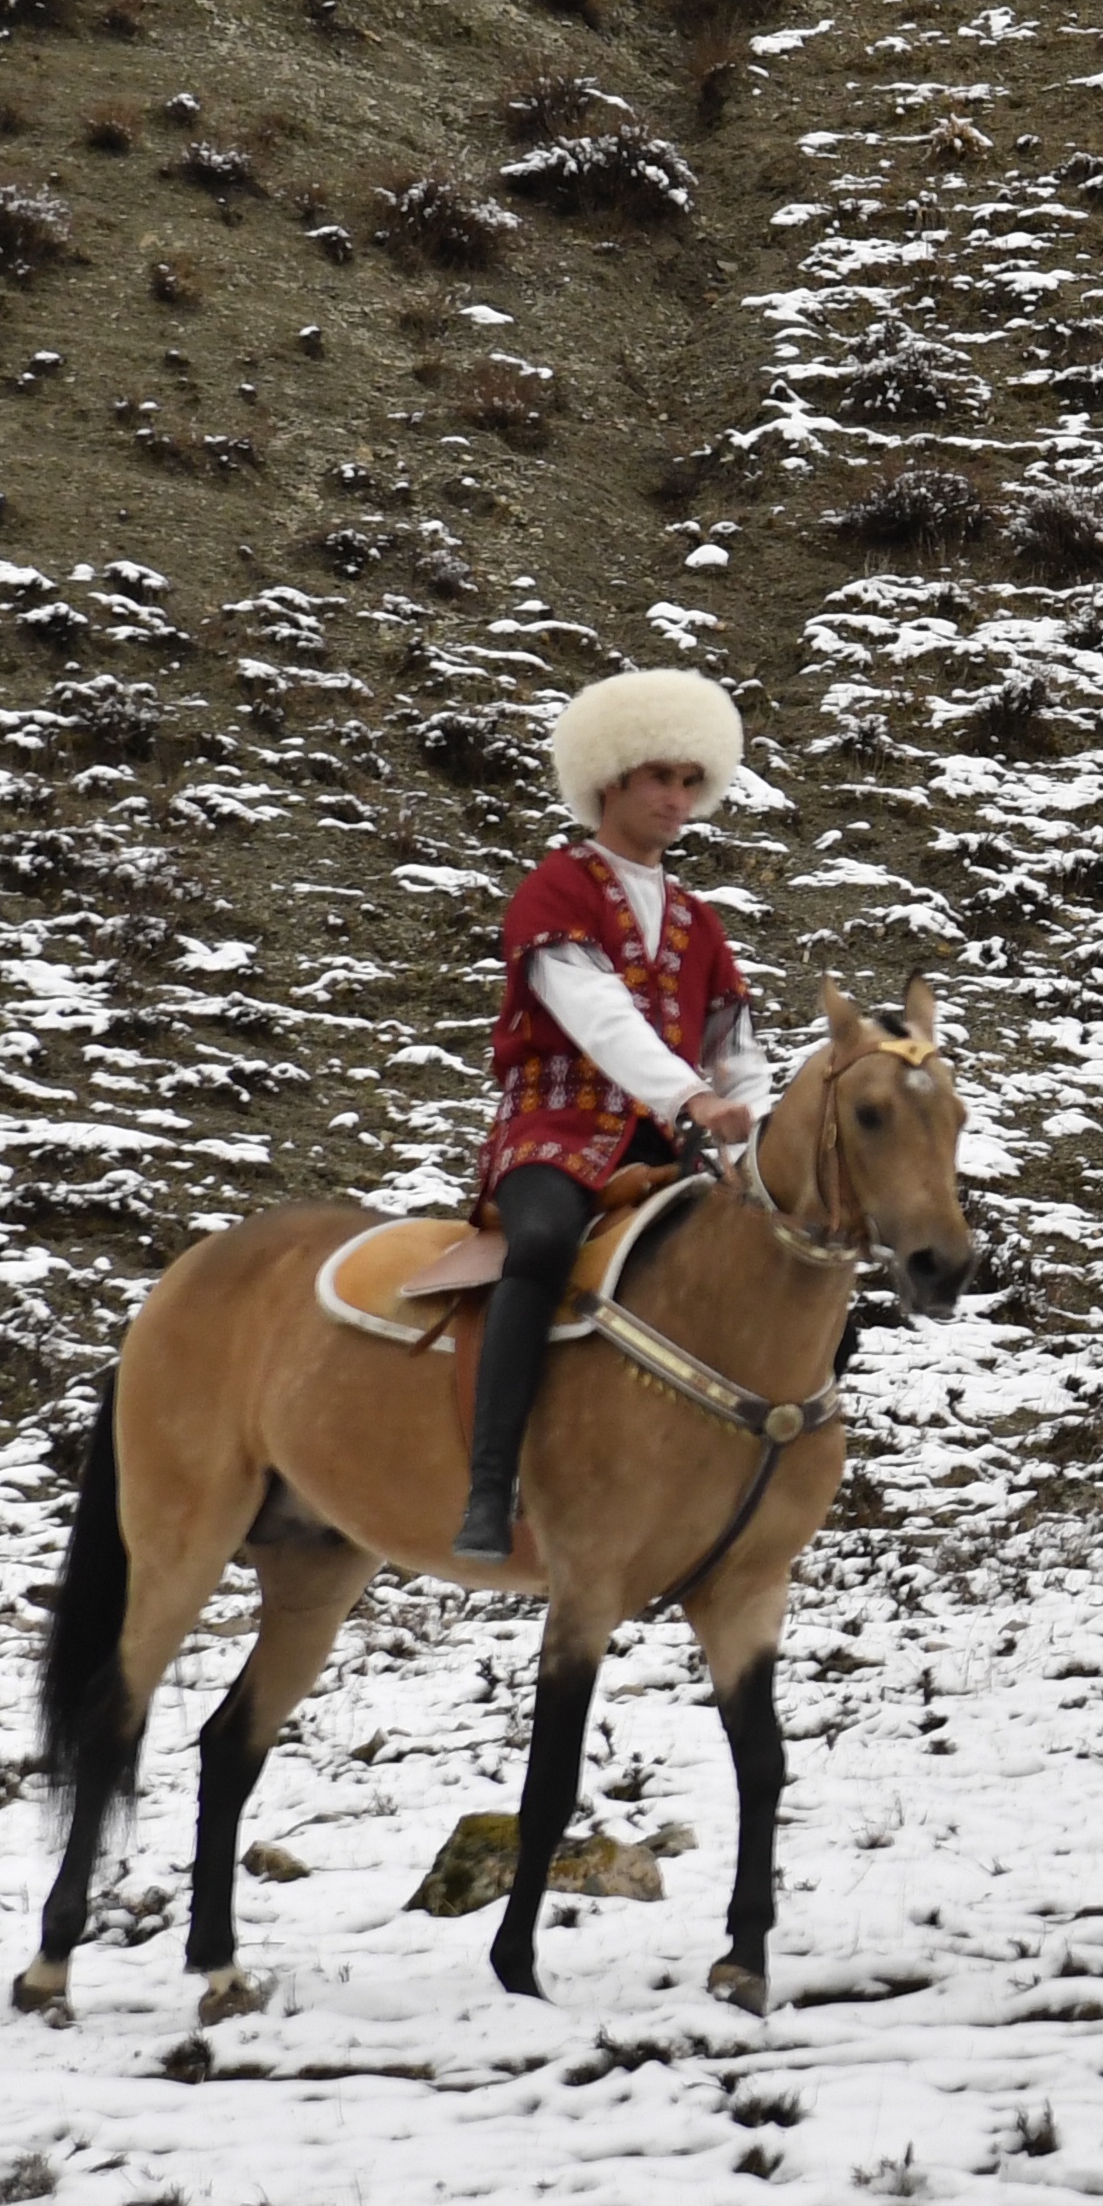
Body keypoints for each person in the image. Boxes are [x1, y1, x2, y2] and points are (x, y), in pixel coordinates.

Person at [457, 668, 774, 1563]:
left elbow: (735, 1045)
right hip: (553, 1132)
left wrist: (750, 1125)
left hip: (659, 1147)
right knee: (546, 1244)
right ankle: (490, 1483)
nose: (677, 798)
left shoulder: (698, 920)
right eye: (657, 778)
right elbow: (599, 1018)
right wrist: (694, 1098)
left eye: (688, 779)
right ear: (610, 779)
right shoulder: (554, 891)